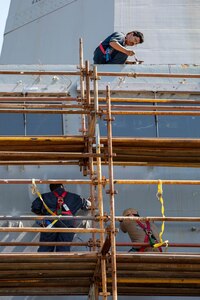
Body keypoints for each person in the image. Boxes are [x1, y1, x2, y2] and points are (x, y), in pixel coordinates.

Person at [31, 183, 91, 252]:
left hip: (50, 224)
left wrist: (44, 213)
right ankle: (62, 261)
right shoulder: (74, 197)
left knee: (46, 248)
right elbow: (87, 205)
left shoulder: (44, 197)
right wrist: (90, 201)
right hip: (67, 224)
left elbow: (34, 208)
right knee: (64, 248)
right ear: (62, 187)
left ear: (51, 189)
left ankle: (44, 261)